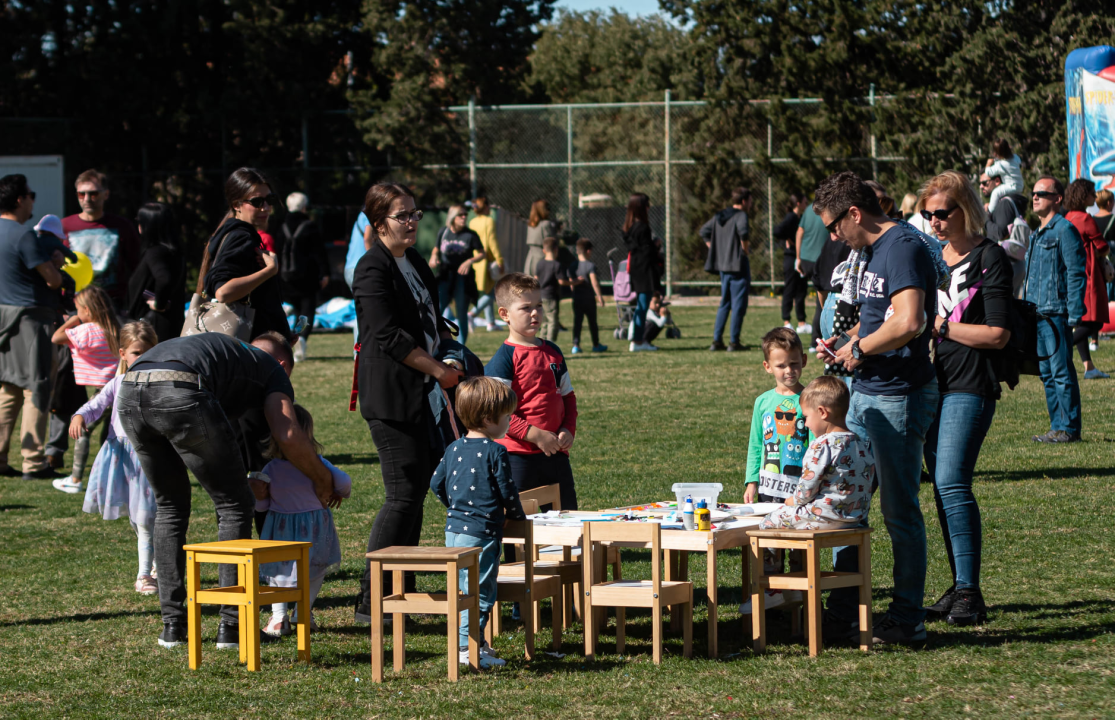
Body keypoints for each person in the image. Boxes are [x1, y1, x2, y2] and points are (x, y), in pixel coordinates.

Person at [117, 331, 332, 649]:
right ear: (284, 365)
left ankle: (173, 626)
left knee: (171, 505)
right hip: (181, 388)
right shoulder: (273, 372)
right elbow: (287, 434)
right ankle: (232, 625)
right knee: (234, 503)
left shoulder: (232, 355)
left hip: (130, 389)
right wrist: (322, 479)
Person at [813, 170, 940, 647]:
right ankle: (843, 610)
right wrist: (843, 344)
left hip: (899, 395)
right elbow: (875, 319)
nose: (831, 236)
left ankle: (908, 618)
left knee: (899, 511)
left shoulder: (902, 246)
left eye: (832, 226)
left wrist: (860, 349)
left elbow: (909, 321)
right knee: (846, 504)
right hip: (866, 391)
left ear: (854, 213)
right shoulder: (866, 252)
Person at [351, 182, 460, 624]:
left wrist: (449, 351)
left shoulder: (412, 259)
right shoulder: (371, 269)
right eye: (403, 216)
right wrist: (437, 369)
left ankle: (400, 595)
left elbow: (432, 319)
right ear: (380, 224)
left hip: (421, 393)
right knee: (402, 493)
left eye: (416, 213)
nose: (413, 222)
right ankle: (370, 601)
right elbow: (388, 336)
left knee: (413, 493)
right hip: (391, 396)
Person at [919, 171, 1013, 627]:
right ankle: (959, 586)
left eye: (943, 213)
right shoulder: (929, 258)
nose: (935, 221)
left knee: (952, 481)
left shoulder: (989, 257)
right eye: (928, 214)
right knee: (941, 486)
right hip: (928, 387)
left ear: (965, 210)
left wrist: (941, 327)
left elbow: (997, 333)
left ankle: (971, 593)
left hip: (970, 385)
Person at [430, 376, 526, 669]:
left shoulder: (454, 447)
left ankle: (476, 643)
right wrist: (517, 517)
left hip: (454, 531)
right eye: (507, 415)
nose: (510, 421)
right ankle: (466, 649)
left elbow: (436, 483)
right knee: (480, 594)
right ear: (488, 418)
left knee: (463, 589)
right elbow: (507, 490)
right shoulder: (496, 451)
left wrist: (455, 507)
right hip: (483, 533)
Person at [71, 321, 159, 595]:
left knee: (145, 517)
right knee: (137, 518)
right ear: (122, 353)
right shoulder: (118, 382)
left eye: (147, 351)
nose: (141, 357)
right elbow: (96, 404)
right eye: (136, 352)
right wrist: (80, 415)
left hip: (149, 458)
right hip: (122, 459)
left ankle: (144, 574)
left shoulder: (160, 382)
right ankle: (157, 561)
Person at [485, 273, 578, 510]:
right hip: (518, 457)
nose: (535, 312)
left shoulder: (553, 351)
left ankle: (567, 550)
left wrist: (568, 428)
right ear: (505, 314)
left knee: (566, 515)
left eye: (538, 305)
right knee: (519, 523)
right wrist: (535, 435)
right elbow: (497, 412)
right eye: (526, 308)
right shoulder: (503, 359)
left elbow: (567, 396)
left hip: (555, 452)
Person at [256, 404, 351, 637]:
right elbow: (345, 485)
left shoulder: (271, 468)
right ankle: (303, 613)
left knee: (277, 571)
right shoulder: (317, 464)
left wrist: (258, 495)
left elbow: (262, 505)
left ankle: (279, 618)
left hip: (280, 528)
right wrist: (333, 489)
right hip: (315, 528)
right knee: (315, 570)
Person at [739, 326, 812, 614]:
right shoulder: (763, 402)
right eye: (782, 365)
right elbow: (755, 444)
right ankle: (770, 589)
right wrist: (751, 481)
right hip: (768, 490)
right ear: (768, 367)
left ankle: (800, 593)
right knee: (769, 543)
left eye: (794, 363)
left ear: (804, 361)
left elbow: (817, 445)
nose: (789, 371)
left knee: (799, 544)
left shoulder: (810, 399)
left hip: (800, 490)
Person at [0, 173, 66, 480]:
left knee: (8, 387)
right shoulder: (24, 235)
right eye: (31, 195)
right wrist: (59, 266)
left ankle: (1, 457)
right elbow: (52, 279)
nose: (33, 201)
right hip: (31, 319)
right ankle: (34, 462)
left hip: (4, 317)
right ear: (19, 199)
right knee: (36, 387)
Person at [760, 376, 875, 530]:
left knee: (769, 520)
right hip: (854, 518)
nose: (806, 424)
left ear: (822, 412)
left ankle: (771, 554)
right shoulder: (860, 443)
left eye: (806, 417)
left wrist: (792, 500)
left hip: (821, 517)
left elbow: (807, 489)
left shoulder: (821, 445)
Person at [1026, 176, 1087, 443]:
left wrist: (1074, 314)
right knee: (1047, 374)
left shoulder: (1065, 230)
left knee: (1061, 372)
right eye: (1033, 192)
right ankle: (1056, 427)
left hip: (1057, 313)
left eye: (1042, 193)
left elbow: (1076, 273)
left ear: (1057, 199)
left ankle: (1069, 429)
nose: (1035, 197)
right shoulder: (1035, 234)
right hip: (1036, 314)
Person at [197, 168, 291, 341]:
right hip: (252, 345)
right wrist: (270, 270)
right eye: (257, 201)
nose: (266, 208)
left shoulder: (230, 233)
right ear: (236, 204)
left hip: (254, 341)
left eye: (269, 200)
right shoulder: (241, 236)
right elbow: (223, 292)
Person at [50, 285, 121, 494]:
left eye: (78, 309)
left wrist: (73, 319)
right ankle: (108, 478)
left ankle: (76, 478)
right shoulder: (115, 328)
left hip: (102, 392)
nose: (77, 312)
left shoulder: (86, 330)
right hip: (118, 389)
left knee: (82, 431)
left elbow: (56, 337)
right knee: (110, 436)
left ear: (88, 311)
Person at [61, 169, 141, 309]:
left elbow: (137, 267)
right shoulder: (64, 226)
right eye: (81, 194)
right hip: (75, 306)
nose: (87, 199)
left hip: (113, 305)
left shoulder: (122, 226)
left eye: (93, 193)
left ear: (106, 194)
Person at [1063, 179, 1110, 379]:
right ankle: (1061, 348)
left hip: (1072, 274)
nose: (1094, 196)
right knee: (1093, 323)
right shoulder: (1085, 218)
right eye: (1091, 193)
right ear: (1084, 195)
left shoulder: (1068, 217)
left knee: (1082, 320)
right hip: (1089, 274)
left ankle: (1089, 367)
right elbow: (1102, 246)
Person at [278, 193, 330, 363]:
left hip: (285, 278)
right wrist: (325, 273)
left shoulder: (280, 226)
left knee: (293, 306)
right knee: (306, 313)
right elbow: (319, 253)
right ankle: (300, 338)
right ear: (304, 207)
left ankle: (289, 309)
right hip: (307, 278)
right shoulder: (310, 227)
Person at [126, 202, 185, 343]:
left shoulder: (155, 252)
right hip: (170, 325)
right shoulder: (175, 252)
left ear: (148, 226)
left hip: (154, 328)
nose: (138, 225)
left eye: (140, 221)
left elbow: (164, 279)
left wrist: (159, 304)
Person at [702, 187, 751, 352]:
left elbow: (704, 231)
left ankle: (717, 341)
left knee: (725, 303)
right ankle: (734, 342)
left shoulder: (720, 216)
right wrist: (745, 251)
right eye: (750, 201)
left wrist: (715, 249)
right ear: (744, 201)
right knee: (738, 304)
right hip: (738, 265)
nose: (751, 204)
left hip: (723, 266)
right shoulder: (741, 215)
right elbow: (744, 232)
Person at [430, 205, 484, 345]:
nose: (464, 217)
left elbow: (482, 253)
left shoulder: (470, 235)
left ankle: (460, 347)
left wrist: (469, 261)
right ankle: (434, 342)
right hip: (445, 275)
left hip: (462, 278)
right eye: (461, 215)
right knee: (437, 310)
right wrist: (434, 256)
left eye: (465, 214)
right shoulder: (444, 231)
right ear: (453, 217)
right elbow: (436, 248)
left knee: (461, 314)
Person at [980, 170, 1029, 295]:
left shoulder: (1004, 204)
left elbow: (1000, 233)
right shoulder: (1005, 203)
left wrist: (985, 219)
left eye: (985, 183)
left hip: (1005, 264)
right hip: (1011, 263)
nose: (981, 187)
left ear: (997, 182)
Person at [623, 192, 661, 352]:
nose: (649, 207)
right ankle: (638, 341)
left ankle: (637, 340)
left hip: (636, 271)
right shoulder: (642, 227)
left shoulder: (630, 227)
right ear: (641, 207)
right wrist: (655, 245)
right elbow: (646, 251)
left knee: (641, 306)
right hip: (645, 271)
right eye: (646, 204)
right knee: (643, 306)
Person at [467, 196, 505, 332]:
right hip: (487, 262)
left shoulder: (471, 222)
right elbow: (492, 242)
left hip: (475, 261)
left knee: (486, 291)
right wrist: (499, 260)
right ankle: (471, 314)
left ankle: (490, 323)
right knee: (491, 293)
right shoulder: (489, 221)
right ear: (486, 207)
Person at [797, 197, 830, 347]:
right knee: (821, 302)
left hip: (805, 259)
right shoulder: (830, 209)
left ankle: (800, 322)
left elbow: (799, 232)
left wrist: (798, 257)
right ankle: (815, 341)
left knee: (800, 293)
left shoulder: (809, 209)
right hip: (821, 260)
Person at [776, 192, 811, 335]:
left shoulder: (801, 218)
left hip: (801, 258)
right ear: (798, 203)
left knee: (801, 290)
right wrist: (789, 240)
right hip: (791, 259)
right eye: (804, 201)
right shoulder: (791, 217)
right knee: (789, 289)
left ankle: (801, 322)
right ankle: (786, 321)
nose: (806, 204)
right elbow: (777, 231)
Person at [569, 238, 607, 354]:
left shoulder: (573, 265)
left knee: (577, 322)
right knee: (592, 323)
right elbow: (594, 282)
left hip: (577, 298)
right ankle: (596, 345)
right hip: (589, 299)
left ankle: (576, 345)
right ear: (589, 251)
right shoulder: (590, 266)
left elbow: (571, 283)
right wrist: (599, 296)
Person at [535, 237, 570, 343]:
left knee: (544, 321)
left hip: (540, 296)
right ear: (556, 249)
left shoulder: (540, 263)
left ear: (544, 250)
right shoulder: (556, 265)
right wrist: (574, 283)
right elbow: (561, 282)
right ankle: (550, 343)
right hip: (551, 296)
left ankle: (542, 342)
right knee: (553, 321)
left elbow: (535, 279)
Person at [985, 138, 1024, 213]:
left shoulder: (1001, 165)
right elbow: (1018, 162)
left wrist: (988, 163)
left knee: (996, 193)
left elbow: (989, 172)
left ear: (996, 153)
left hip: (1011, 186)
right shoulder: (1016, 157)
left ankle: (990, 210)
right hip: (1020, 185)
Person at [524, 200, 555, 277]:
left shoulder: (530, 225)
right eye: (547, 208)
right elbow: (551, 243)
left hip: (529, 263)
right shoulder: (546, 224)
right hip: (542, 260)